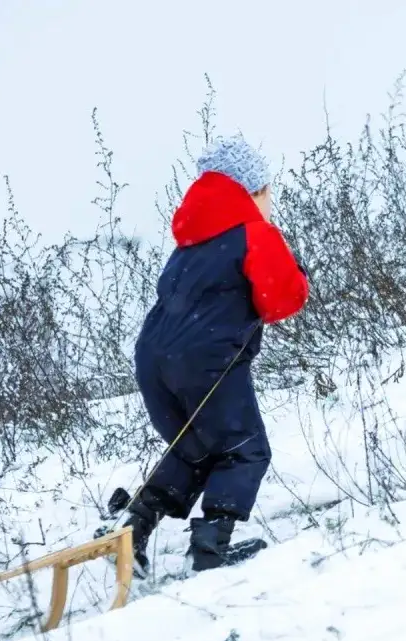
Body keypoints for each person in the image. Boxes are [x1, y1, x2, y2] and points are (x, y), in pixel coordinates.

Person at [124, 134, 309, 576]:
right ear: (254, 192)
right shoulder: (253, 233)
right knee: (245, 449)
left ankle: (132, 529)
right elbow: (283, 299)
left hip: (153, 360)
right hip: (202, 361)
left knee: (197, 446)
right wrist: (296, 269)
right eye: (267, 192)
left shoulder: (190, 242)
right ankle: (209, 550)